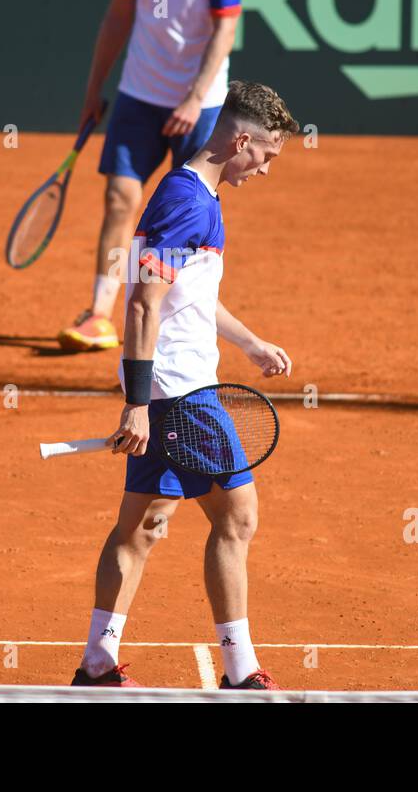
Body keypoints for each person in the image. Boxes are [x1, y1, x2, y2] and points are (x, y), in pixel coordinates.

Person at [70, 80, 299, 690]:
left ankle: (96, 662)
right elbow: (144, 304)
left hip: (171, 384)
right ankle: (240, 668)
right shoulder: (186, 202)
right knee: (239, 517)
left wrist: (248, 342)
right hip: (178, 389)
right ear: (242, 140)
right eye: (268, 156)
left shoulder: (194, 195)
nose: (267, 169)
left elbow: (189, 296)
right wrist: (139, 405)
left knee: (141, 526)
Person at [59, 0, 243, 352]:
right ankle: (99, 314)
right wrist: (94, 88)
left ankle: (176, 321)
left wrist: (193, 97)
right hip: (139, 94)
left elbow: (224, 30)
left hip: (200, 103)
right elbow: (118, 15)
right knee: (121, 198)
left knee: (186, 216)